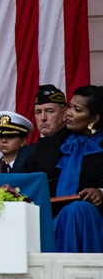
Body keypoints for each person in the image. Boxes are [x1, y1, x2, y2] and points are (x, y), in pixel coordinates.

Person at [25, 85, 103, 253]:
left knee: (77, 210)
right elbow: (27, 179)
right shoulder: (51, 144)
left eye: (77, 109)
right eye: (69, 107)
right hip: (54, 215)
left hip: (94, 216)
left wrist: (101, 192)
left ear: (94, 119)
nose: (68, 113)